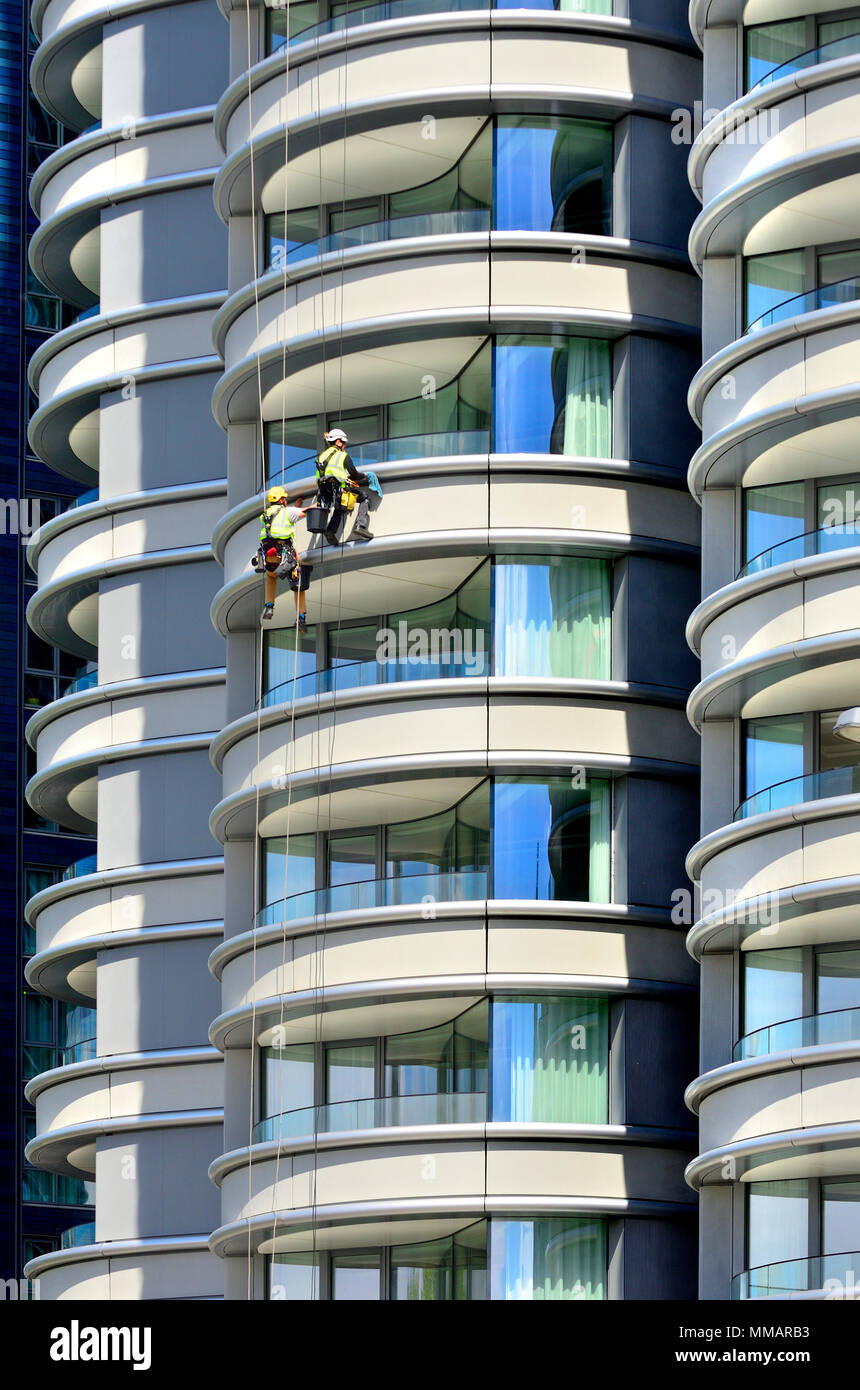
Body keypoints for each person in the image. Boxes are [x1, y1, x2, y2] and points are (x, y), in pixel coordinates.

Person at [256, 486, 309, 624]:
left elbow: (284, 517)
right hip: (285, 558)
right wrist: (318, 503)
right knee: (297, 581)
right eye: (284, 498)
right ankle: (301, 617)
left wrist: (295, 506)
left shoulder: (265, 516)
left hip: (270, 559)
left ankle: (269, 606)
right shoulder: (287, 512)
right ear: (281, 499)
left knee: (270, 576)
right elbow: (303, 513)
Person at [316, 427, 374, 544]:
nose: (345, 446)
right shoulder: (342, 455)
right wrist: (366, 475)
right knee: (364, 497)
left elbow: (323, 474)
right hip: (338, 487)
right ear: (338, 442)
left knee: (341, 507)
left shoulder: (321, 456)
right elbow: (355, 474)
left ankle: (331, 531)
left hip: (325, 490)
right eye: (344, 443)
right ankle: (361, 526)